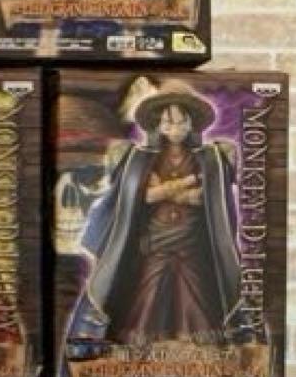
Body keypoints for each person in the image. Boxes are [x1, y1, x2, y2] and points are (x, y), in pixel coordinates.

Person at [68, 81, 243, 346]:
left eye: (182, 122)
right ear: (158, 124)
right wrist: (183, 187)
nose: (175, 129)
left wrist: (164, 189)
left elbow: (201, 197)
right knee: (146, 305)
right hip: (154, 246)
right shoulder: (138, 158)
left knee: (196, 309)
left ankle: (193, 357)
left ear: (192, 123)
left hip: (192, 247)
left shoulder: (212, 157)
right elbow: (146, 196)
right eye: (168, 122)